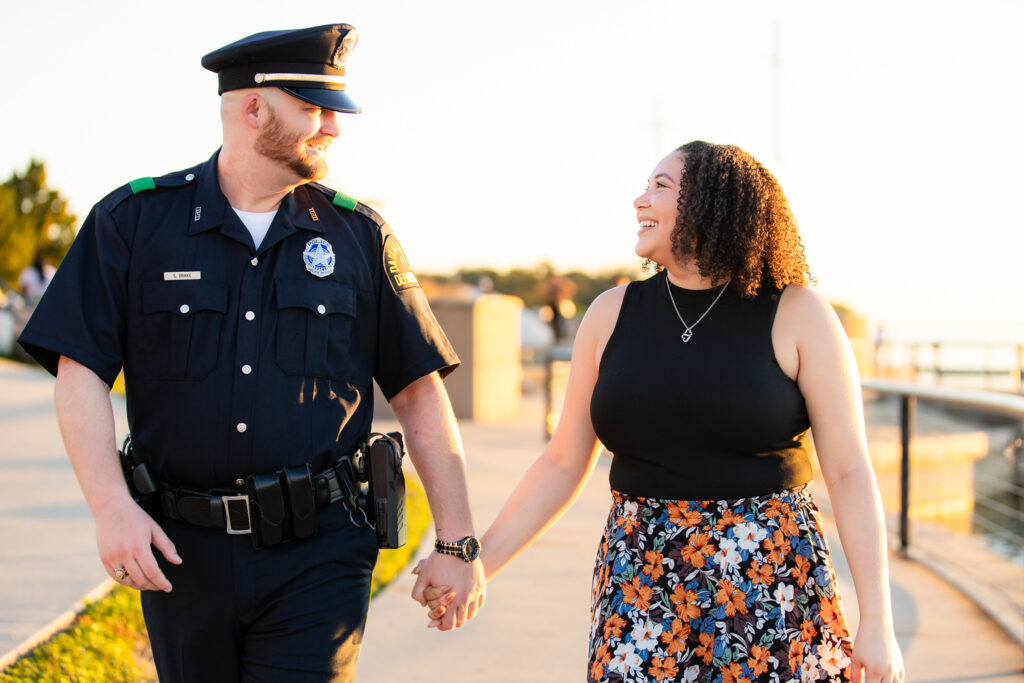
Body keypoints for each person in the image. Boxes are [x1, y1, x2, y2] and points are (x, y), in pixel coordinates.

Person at [18, 24, 484, 682]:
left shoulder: (360, 236)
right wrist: (110, 507)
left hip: (318, 551)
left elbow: (418, 393)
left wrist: (458, 542)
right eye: (315, 110)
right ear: (254, 107)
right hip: (181, 551)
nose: (334, 128)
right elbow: (81, 369)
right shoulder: (132, 222)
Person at [421, 141, 904, 683]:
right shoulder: (610, 314)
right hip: (639, 585)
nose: (639, 200)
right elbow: (561, 465)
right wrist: (476, 565)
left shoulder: (797, 312)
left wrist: (878, 621)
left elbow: (848, 471)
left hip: (771, 583)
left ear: (714, 204)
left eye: (661, 186)